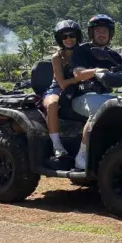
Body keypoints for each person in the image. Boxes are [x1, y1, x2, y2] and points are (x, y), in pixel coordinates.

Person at [71, 14, 122, 169]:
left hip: (107, 96)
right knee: (100, 109)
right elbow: (78, 74)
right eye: (98, 30)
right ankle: (82, 155)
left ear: (110, 34)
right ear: (91, 33)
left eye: (105, 31)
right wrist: (96, 71)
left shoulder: (112, 55)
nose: (102, 33)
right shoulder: (82, 51)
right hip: (83, 96)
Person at [42, 20, 82, 159]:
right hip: (57, 89)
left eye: (71, 35)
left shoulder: (84, 53)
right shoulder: (57, 57)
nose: (68, 39)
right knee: (53, 104)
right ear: (60, 39)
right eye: (64, 37)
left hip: (79, 89)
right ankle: (57, 146)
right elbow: (62, 84)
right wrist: (78, 78)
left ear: (77, 37)